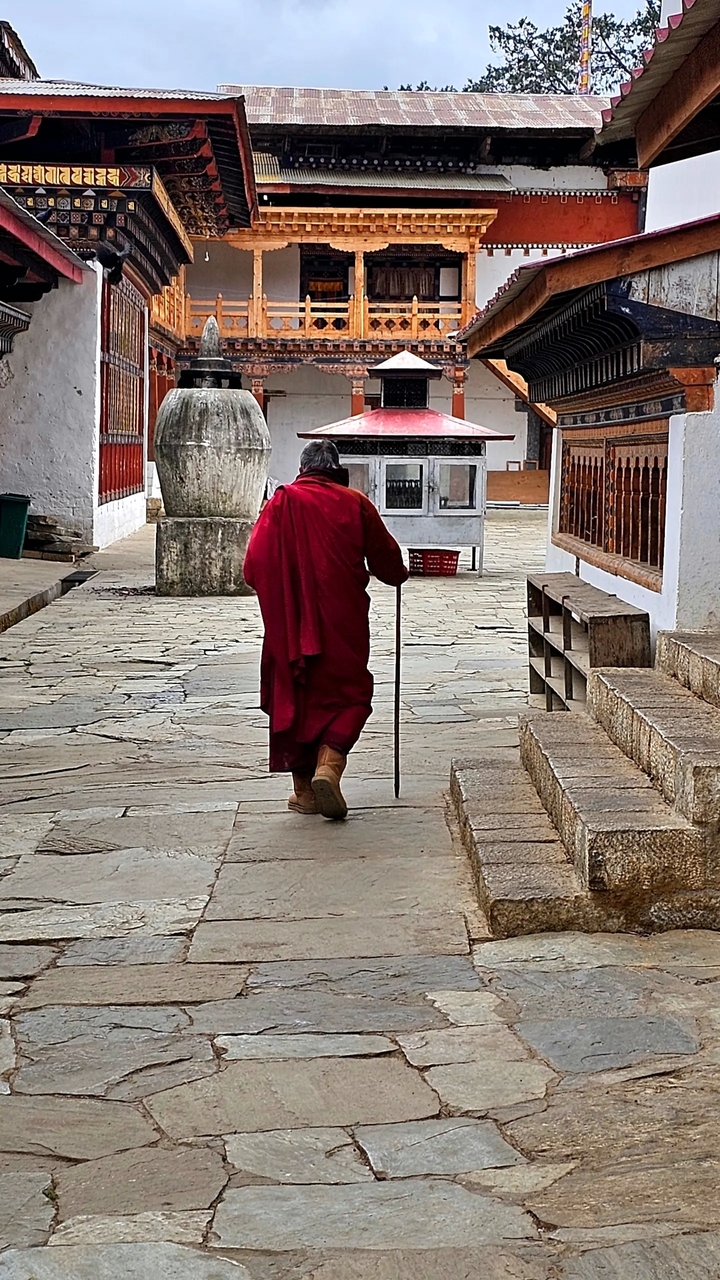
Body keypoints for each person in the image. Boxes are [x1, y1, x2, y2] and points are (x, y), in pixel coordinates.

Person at [244, 439, 408, 820]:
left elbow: (252, 568)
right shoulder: (355, 503)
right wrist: (400, 574)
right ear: (336, 469)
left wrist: (286, 595)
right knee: (351, 695)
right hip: (343, 624)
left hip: (290, 628)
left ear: (303, 469)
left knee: (296, 698)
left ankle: (304, 792)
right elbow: (388, 564)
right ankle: (329, 768)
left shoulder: (281, 503)